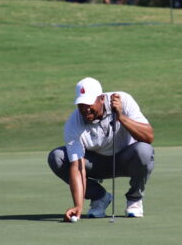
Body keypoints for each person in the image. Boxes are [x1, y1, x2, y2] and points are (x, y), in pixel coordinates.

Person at [48, 77, 155, 222]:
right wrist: (78, 205)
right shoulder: (73, 124)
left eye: (89, 103)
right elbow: (78, 167)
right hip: (95, 164)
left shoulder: (124, 100)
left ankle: (134, 199)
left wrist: (121, 117)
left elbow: (148, 137)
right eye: (81, 105)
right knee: (57, 157)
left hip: (125, 159)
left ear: (102, 99)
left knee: (144, 150)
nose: (85, 109)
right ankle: (99, 197)